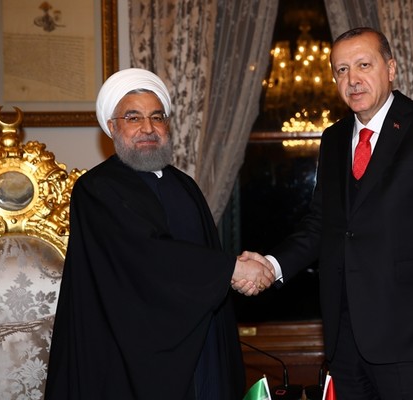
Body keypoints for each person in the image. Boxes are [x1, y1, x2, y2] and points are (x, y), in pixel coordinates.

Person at [237, 27, 413, 399]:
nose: (352, 79)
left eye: (363, 65)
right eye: (342, 70)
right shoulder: (333, 139)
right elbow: (321, 224)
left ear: (391, 68)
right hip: (345, 339)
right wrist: (272, 265)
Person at [45, 68, 274, 399]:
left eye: (157, 117)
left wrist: (231, 272)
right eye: (133, 118)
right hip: (125, 352)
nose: (148, 128)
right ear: (112, 126)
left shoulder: (185, 186)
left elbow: (204, 255)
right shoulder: (96, 188)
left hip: (199, 341)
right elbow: (144, 256)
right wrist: (232, 269)